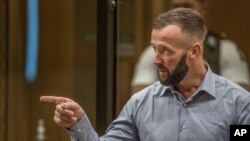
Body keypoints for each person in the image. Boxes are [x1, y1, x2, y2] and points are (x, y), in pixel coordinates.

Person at [40, 8, 250, 141]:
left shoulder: (238, 104)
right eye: (154, 48)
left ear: (194, 51)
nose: (155, 59)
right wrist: (78, 123)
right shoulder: (141, 104)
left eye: (165, 50)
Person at [131, 0, 250, 93]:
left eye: (188, 5)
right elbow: (140, 97)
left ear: (203, 8)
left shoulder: (225, 49)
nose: (181, 12)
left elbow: (240, 100)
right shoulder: (153, 52)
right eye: (176, 6)